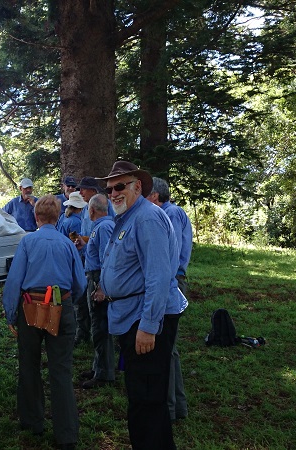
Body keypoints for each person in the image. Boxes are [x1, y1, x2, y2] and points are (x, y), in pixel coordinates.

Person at [98, 161, 184, 450]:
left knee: (146, 400)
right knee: (144, 398)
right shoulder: (129, 217)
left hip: (143, 320)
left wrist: (148, 326)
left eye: (119, 186)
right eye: (109, 188)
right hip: (130, 317)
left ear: (138, 186)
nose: (113, 193)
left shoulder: (146, 218)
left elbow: (159, 276)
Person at [2, 195, 86, 450]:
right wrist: (69, 304)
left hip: (31, 308)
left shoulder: (28, 242)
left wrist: (10, 313)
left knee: (29, 364)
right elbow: (79, 284)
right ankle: (67, 434)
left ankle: (32, 422)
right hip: (62, 306)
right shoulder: (67, 244)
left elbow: (14, 281)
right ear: (58, 217)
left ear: (36, 217)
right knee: (61, 370)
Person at [148, 176, 192, 421]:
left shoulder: (170, 213)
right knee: (168, 346)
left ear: (155, 196)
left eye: (145, 193)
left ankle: (172, 408)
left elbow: (168, 254)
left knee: (168, 346)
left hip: (171, 282)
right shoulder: (169, 212)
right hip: (170, 280)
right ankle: (176, 407)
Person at [76, 193, 116, 389]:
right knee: (97, 324)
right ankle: (98, 366)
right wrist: (85, 245)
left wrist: (101, 286)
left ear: (91, 210)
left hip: (97, 280)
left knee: (100, 325)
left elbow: (106, 259)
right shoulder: (101, 227)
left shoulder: (104, 227)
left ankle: (104, 373)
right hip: (94, 277)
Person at [71, 176, 103, 347]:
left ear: (93, 190)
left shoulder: (105, 208)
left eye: (83, 189)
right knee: (82, 300)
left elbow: (103, 237)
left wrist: (85, 240)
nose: (80, 192)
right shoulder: (84, 210)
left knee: (96, 305)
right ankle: (82, 332)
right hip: (84, 261)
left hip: (97, 265)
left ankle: (99, 340)